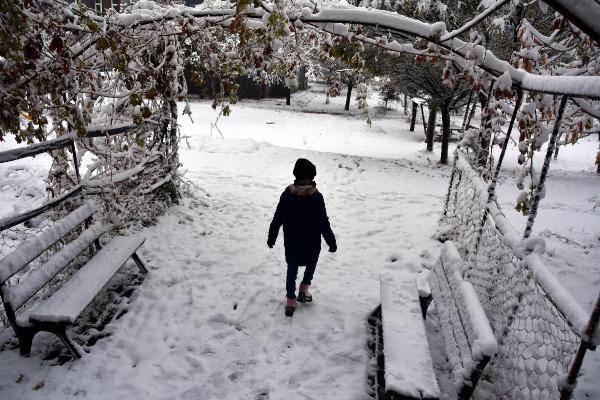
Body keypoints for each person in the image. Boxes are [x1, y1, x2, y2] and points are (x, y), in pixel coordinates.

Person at [267, 158, 337, 317]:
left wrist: (272, 237)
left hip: (292, 241)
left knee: (291, 269)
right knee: (311, 263)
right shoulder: (317, 197)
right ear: (312, 177)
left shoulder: (286, 195)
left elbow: (277, 218)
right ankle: (303, 290)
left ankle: (291, 301)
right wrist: (331, 241)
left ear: (295, 175)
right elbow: (323, 222)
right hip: (311, 242)